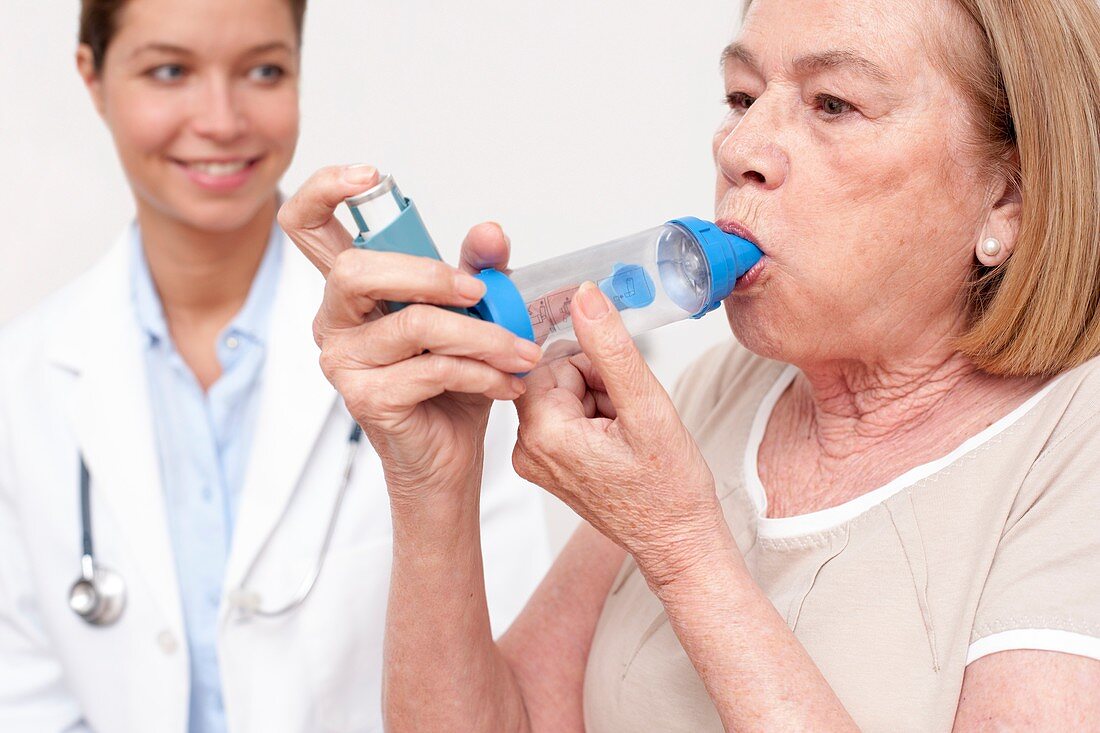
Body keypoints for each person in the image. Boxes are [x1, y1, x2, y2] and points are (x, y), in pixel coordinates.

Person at [278, 0, 1100, 729]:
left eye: (834, 104)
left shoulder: (1076, 450)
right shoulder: (719, 393)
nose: (739, 145)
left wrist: (682, 547)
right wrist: (434, 481)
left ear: (1008, 201)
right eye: (742, 97)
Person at [0, 1, 549, 731]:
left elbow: (512, 683)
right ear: (93, 78)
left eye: (263, 70)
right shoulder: (23, 380)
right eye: (170, 71)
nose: (222, 119)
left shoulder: (424, 355)